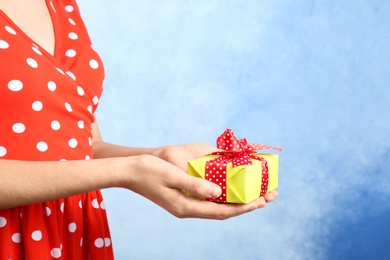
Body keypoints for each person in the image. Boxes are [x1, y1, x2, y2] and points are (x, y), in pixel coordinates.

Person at [0, 0, 278, 258]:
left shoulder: (63, 5)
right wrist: (128, 171)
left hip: (72, 230)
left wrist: (159, 156)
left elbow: (85, 146)